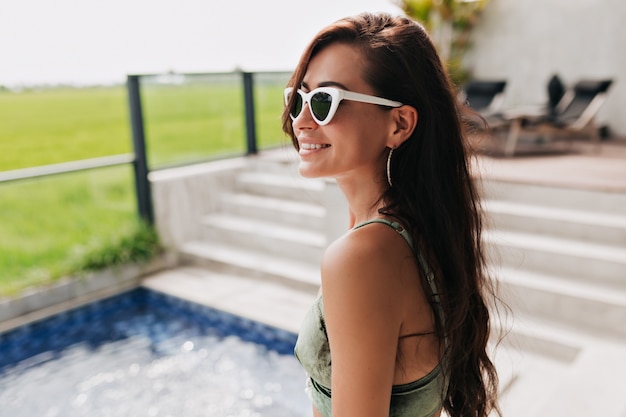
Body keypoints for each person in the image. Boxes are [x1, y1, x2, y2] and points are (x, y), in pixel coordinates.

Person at [281, 12, 502, 417]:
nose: (302, 120)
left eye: (325, 102)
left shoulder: (363, 255)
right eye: (299, 97)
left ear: (399, 124)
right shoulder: (418, 228)